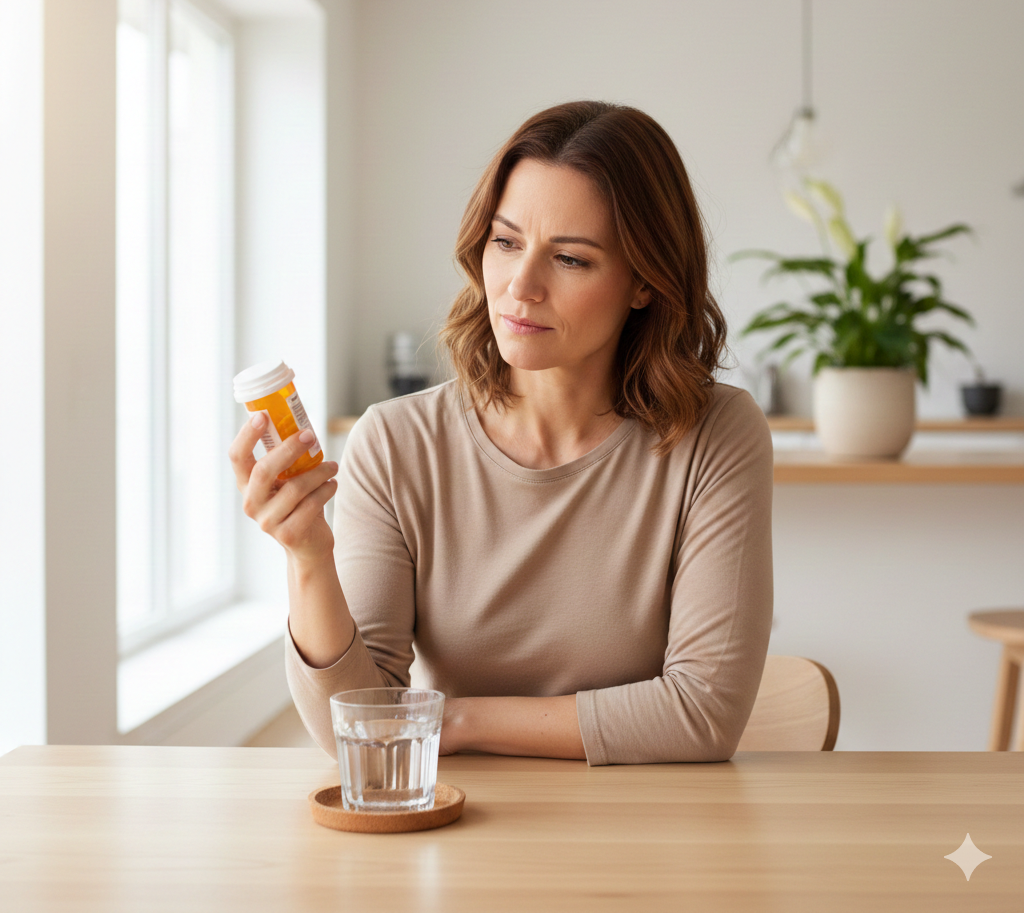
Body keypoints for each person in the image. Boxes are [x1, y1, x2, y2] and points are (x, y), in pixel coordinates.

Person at [229, 101, 773, 766]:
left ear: (644, 283)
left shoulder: (715, 435)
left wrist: (448, 721)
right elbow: (361, 736)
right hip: (456, 838)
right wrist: (309, 558)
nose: (521, 285)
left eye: (571, 259)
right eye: (506, 241)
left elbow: (703, 715)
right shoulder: (397, 442)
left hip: (644, 843)